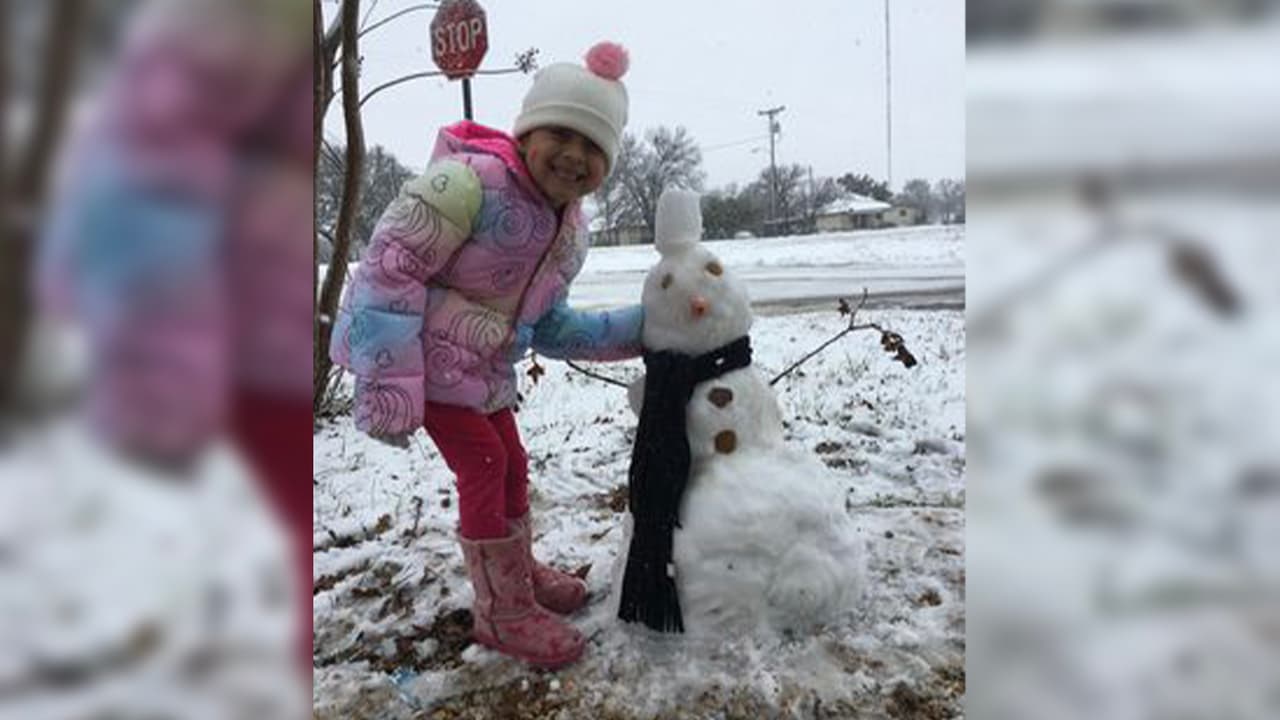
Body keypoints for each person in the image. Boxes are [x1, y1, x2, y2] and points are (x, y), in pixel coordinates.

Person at [330, 42, 642, 669]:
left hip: (482, 371)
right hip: (422, 362)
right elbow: (389, 269)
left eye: (592, 146)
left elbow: (547, 323)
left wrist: (644, 329)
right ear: (527, 133)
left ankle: (516, 576)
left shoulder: (569, 229)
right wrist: (390, 382)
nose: (574, 155)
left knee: (512, 464)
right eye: (561, 134)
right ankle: (501, 612)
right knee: (485, 462)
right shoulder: (466, 183)